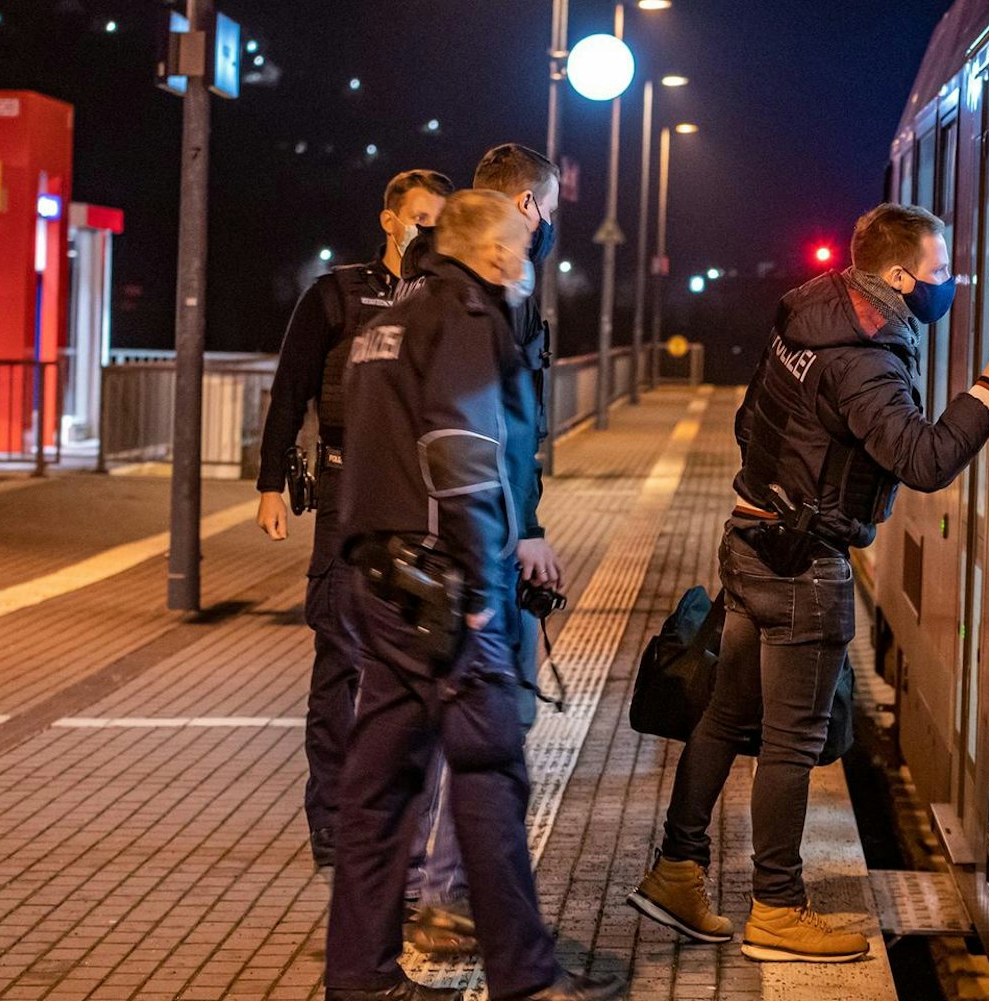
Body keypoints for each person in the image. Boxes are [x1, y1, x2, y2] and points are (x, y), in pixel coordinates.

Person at [629, 203, 989, 962]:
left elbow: (750, 421)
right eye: (941, 270)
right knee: (791, 744)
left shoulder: (809, 311)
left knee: (724, 714)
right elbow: (924, 460)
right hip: (803, 566)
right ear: (900, 276)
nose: (949, 283)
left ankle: (677, 870)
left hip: (751, 537)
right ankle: (777, 909)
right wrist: (987, 390)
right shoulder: (865, 359)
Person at [326, 189, 623, 1001]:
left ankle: (359, 979)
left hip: (379, 581)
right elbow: (461, 449)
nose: (528, 261)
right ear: (494, 254)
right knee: (490, 776)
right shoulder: (465, 315)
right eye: (523, 246)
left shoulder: (386, 320)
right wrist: (484, 588)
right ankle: (527, 980)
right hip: (446, 590)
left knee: (378, 793)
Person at [255, 168, 454, 869]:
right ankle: (334, 824)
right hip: (347, 487)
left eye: (440, 222)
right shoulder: (336, 295)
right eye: (419, 219)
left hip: (421, 495)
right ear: (389, 220)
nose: (428, 232)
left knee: (411, 667)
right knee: (339, 659)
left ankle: (393, 821)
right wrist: (270, 484)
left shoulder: (450, 301)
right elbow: (290, 391)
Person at [401, 143, 562, 956]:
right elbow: (481, 441)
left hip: (415, 549)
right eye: (547, 214)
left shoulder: (413, 291)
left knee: (417, 734)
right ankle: (449, 900)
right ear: (523, 212)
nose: (543, 237)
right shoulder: (479, 310)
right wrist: (515, 536)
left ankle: (418, 894)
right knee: (487, 732)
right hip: (470, 552)